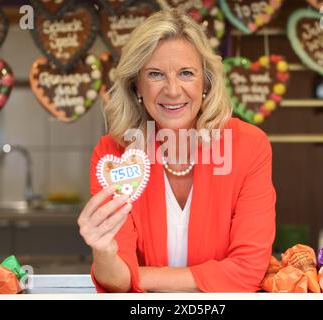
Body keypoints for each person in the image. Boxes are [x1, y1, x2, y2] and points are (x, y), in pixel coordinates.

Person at [78, 9, 276, 293]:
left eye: (186, 73)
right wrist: (103, 251)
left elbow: (248, 272)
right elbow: (115, 282)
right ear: (137, 86)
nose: (173, 90)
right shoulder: (113, 154)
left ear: (205, 82)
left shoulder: (249, 146)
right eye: (156, 74)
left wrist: (136, 275)